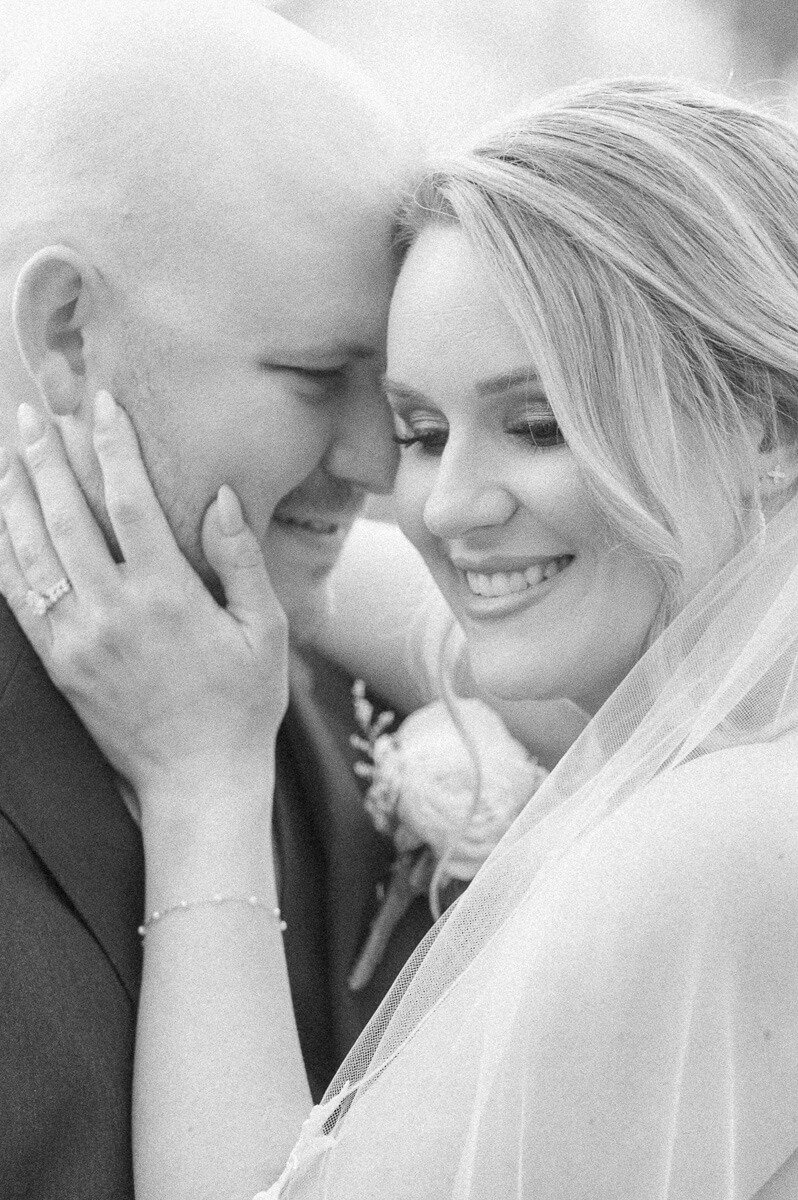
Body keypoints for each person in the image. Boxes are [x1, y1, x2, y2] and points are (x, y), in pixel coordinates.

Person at [2, 77, 798, 1199]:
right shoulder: (720, 707)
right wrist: (255, 543)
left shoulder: (720, 838)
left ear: (767, 423)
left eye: (536, 423)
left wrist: (203, 786)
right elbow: (420, 617)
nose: (443, 503)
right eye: (423, 429)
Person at [0, 2, 431, 1197]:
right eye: (311, 376)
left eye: (387, 387)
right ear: (69, 335)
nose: (383, 464)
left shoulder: (367, 686)